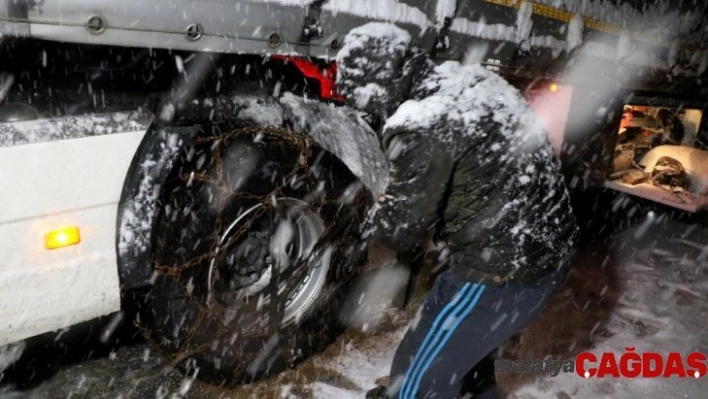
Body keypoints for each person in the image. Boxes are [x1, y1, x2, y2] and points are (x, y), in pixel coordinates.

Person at [335, 23, 578, 399]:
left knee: (416, 372)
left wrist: (358, 228)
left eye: (359, 97)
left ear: (375, 87)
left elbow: (402, 228)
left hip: (501, 272)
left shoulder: (422, 123)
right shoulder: (474, 80)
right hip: (546, 252)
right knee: (468, 365)